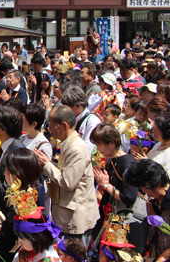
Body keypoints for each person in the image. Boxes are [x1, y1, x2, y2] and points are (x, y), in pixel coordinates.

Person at [34, 106, 99, 246]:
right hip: (65, 214)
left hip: (75, 218)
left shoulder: (76, 148)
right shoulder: (69, 143)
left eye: (51, 124)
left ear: (64, 126)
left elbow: (68, 182)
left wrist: (47, 164)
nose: (49, 128)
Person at [89, 123, 146, 254]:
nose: (98, 148)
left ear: (113, 143)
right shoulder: (111, 161)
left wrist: (106, 186)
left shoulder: (128, 164)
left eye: (100, 144)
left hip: (124, 222)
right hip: (110, 217)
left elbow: (129, 197)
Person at [124, 160, 170, 261]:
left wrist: (163, 257)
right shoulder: (154, 202)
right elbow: (154, 234)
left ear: (157, 184)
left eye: (144, 187)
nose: (144, 191)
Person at [61, 86, 101, 156]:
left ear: (80, 104)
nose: (68, 109)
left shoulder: (92, 121)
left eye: (71, 106)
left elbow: (88, 149)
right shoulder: (71, 118)